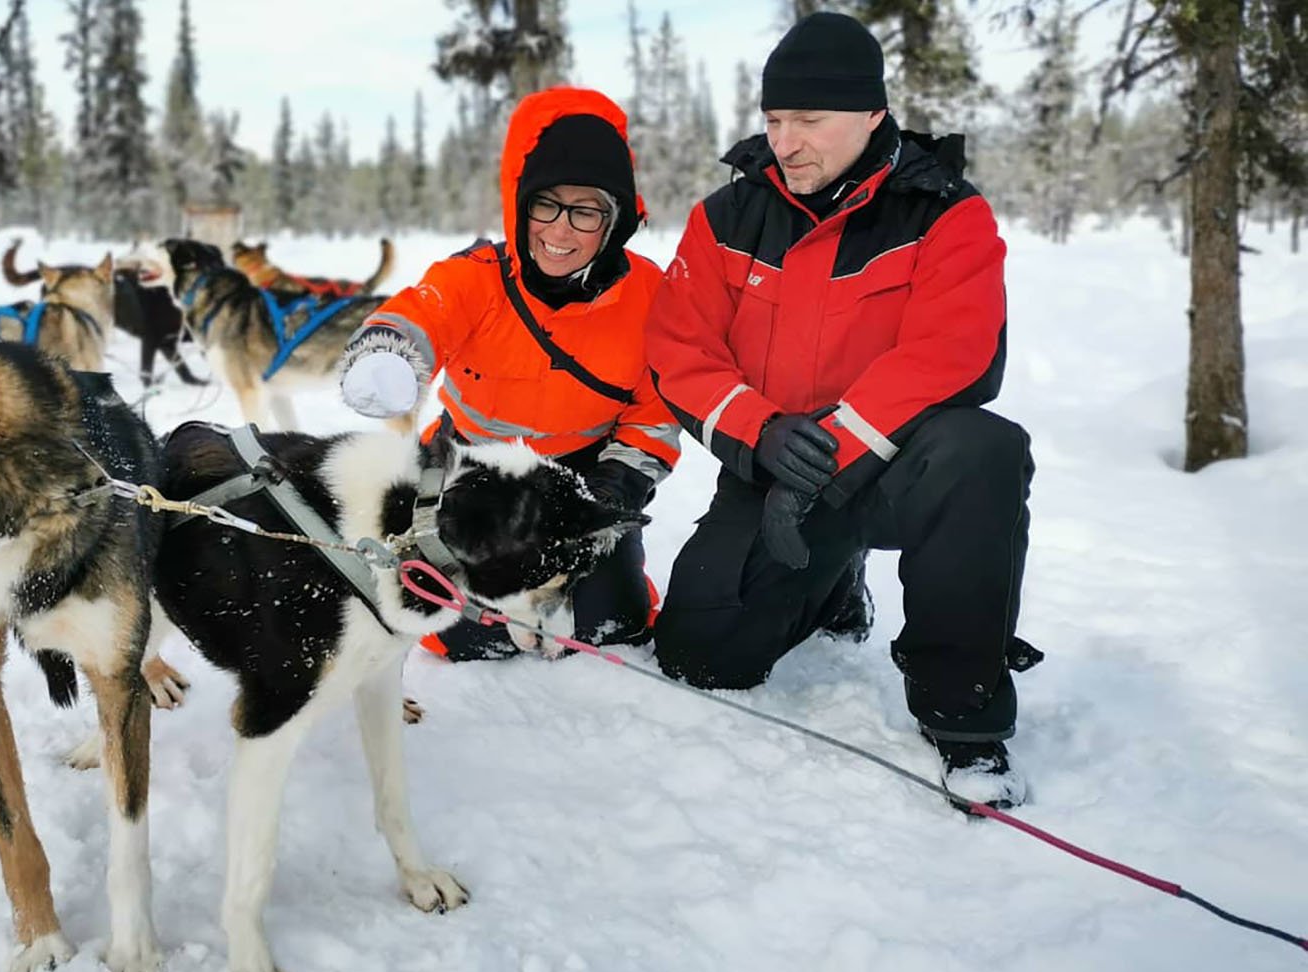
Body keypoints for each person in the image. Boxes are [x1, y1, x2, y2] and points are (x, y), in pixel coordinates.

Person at [643, 11, 1039, 808]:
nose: (786, 142)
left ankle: (965, 721)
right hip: (772, 466)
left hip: (898, 471)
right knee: (699, 655)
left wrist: (832, 449)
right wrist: (761, 436)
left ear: (871, 114)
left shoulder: (946, 213)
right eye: (775, 119)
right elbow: (679, 352)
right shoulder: (726, 217)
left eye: (810, 120)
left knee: (982, 449)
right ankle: (832, 585)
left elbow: (952, 353)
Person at [339, 86, 681, 661]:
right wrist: (385, 352)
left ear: (615, 221)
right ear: (520, 205)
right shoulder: (477, 278)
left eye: (586, 211)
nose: (560, 230)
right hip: (469, 473)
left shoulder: (652, 296)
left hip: (583, 474)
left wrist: (610, 490)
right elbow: (419, 314)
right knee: (457, 633)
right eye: (545, 204)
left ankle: (598, 587)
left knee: (612, 627)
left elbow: (656, 415)